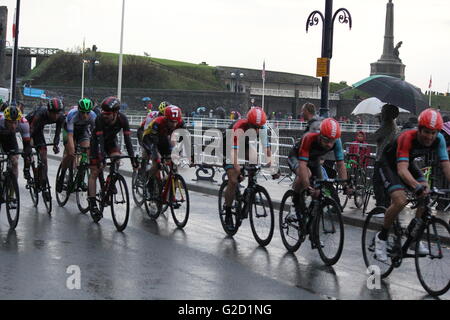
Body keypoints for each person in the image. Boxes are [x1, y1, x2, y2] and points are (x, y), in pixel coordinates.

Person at [374, 108, 450, 262]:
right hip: (389, 164)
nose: (430, 136)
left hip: (408, 164)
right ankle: (381, 238)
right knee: (400, 200)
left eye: (433, 133)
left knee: (425, 196)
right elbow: (401, 171)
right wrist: (416, 186)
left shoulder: (439, 139)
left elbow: (446, 165)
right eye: (426, 132)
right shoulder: (407, 137)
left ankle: (413, 238)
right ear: (419, 128)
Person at [287, 118, 351, 221]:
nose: (329, 144)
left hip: (313, 159)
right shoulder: (309, 137)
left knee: (320, 187)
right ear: (320, 135)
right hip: (297, 157)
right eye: (326, 140)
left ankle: (312, 223)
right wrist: (307, 186)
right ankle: (294, 207)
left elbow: (340, 164)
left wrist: (345, 185)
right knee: (305, 175)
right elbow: (303, 165)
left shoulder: (337, 140)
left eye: (332, 141)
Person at [88, 96, 139, 221]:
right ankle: (93, 203)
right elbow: (99, 141)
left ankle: (111, 180)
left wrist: (133, 160)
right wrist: (101, 158)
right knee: (95, 170)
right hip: (97, 143)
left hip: (111, 142)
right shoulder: (99, 119)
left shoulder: (123, 119)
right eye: (103, 113)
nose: (104, 115)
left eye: (107, 114)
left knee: (117, 158)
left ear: (116, 113)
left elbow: (128, 141)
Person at [222, 107, 272, 230]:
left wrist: (272, 165)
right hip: (229, 146)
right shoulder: (238, 126)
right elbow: (233, 151)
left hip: (243, 145)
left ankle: (251, 188)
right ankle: (228, 212)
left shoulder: (262, 127)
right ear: (248, 122)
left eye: (259, 127)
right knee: (233, 180)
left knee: (255, 158)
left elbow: (267, 149)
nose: (256, 130)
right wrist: (237, 167)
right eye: (254, 127)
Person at [25, 97, 65, 200]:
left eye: (58, 113)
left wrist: (56, 144)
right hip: (29, 126)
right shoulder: (40, 114)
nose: (56, 116)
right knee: (29, 147)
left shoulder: (60, 117)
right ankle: (27, 167)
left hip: (39, 129)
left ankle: (43, 185)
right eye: (53, 113)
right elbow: (31, 129)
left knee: (44, 158)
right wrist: (28, 145)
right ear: (48, 111)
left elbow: (57, 132)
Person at [56, 98, 97, 192]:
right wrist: (72, 149)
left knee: (86, 151)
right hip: (69, 131)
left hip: (83, 131)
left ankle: (81, 179)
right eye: (83, 112)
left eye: (87, 112)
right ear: (79, 110)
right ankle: (62, 176)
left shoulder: (93, 116)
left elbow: (95, 134)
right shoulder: (72, 115)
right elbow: (70, 136)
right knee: (70, 153)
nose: (85, 115)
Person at [140, 105, 185, 180]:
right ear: (166, 119)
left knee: (174, 162)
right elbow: (153, 143)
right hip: (149, 138)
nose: (174, 125)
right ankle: (148, 179)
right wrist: (157, 155)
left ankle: (167, 182)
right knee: (157, 163)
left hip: (163, 137)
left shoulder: (181, 123)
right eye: (171, 122)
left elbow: (185, 140)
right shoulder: (158, 122)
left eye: (176, 122)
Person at [370, 104, 400, 214]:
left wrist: (380, 125)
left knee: (377, 182)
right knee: (386, 183)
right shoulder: (393, 125)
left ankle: (380, 207)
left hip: (382, 158)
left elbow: (374, 137)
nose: (381, 113)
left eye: (382, 111)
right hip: (389, 158)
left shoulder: (387, 125)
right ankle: (385, 207)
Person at [0, 105, 32, 180]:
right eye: (10, 123)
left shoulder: (24, 124)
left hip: (10, 137)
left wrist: (27, 153)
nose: (13, 126)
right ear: (5, 120)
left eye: (15, 123)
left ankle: (13, 188)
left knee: (15, 162)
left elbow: (27, 145)